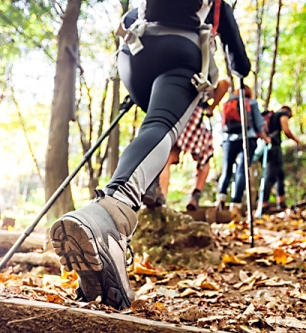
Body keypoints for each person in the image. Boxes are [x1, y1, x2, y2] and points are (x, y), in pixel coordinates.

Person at [49, 0, 251, 309]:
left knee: (153, 125)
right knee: (161, 126)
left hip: (134, 55)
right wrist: (239, 69)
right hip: (179, 53)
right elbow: (239, 63)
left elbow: (130, 16)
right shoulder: (217, 5)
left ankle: (145, 194)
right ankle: (111, 218)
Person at [144, 77, 231, 211]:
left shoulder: (174, 78)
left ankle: (161, 197)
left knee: (166, 159)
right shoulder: (202, 75)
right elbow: (225, 83)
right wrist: (211, 108)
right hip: (194, 118)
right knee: (204, 159)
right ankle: (195, 196)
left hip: (174, 115)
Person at [215, 85, 269, 216]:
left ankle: (221, 198)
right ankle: (235, 203)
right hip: (247, 139)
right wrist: (266, 139)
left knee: (226, 170)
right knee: (242, 170)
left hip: (228, 140)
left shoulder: (228, 103)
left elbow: (221, 126)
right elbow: (258, 125)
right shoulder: (252, 103)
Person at [260, 105, 301, 212]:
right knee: (270, 176)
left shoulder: (270, 116)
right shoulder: (282, 114)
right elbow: (286, 129)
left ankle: (281, 202)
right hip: (273, 147)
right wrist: (295, 139)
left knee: (279, 174)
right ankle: (263, 205)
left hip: (265, 148)